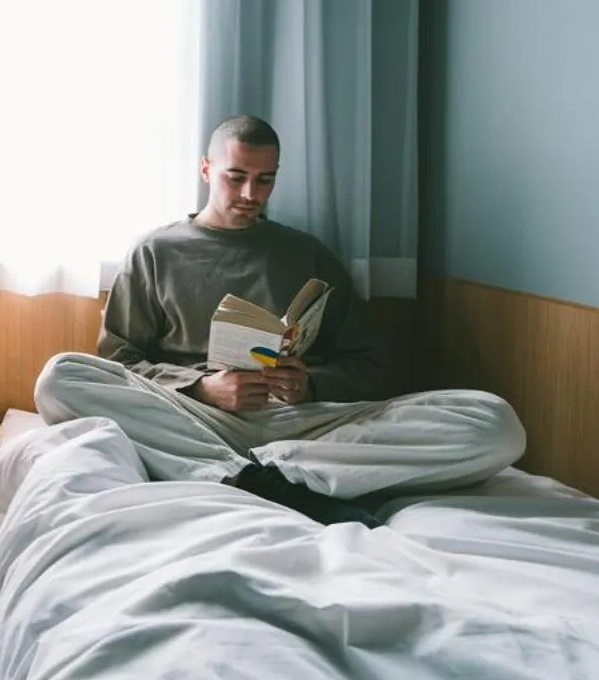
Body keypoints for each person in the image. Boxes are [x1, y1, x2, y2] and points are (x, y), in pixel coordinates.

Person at [35, 114, 524, 525]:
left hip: (304, 427)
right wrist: (201, 388)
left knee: (495, 422)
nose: (251, 193)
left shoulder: (307, 254)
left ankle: (283, 473)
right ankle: (241, 476)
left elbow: (373, 365)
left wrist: (309, 384)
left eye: (265, 180)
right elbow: (118, 362)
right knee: (60, 376)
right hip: (194, 420)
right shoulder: (155, 252)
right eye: (236, 177)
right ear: (206, 169)